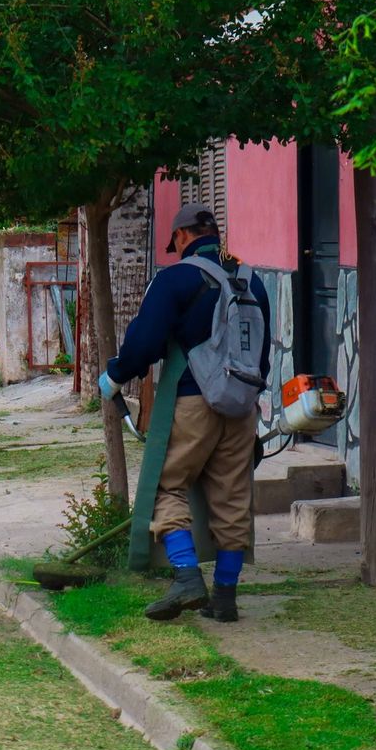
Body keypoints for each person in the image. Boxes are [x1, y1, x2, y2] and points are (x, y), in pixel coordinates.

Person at [99, 203, 270, 623]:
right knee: (232, 499)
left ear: (180, 238)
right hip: (241, 407)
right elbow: (261, 351)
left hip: (193, 403)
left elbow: (145, 341)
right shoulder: (254, 283)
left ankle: (186, 577)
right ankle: (225, 597)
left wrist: (116, 376)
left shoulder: (174, 279)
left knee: (166, 486)